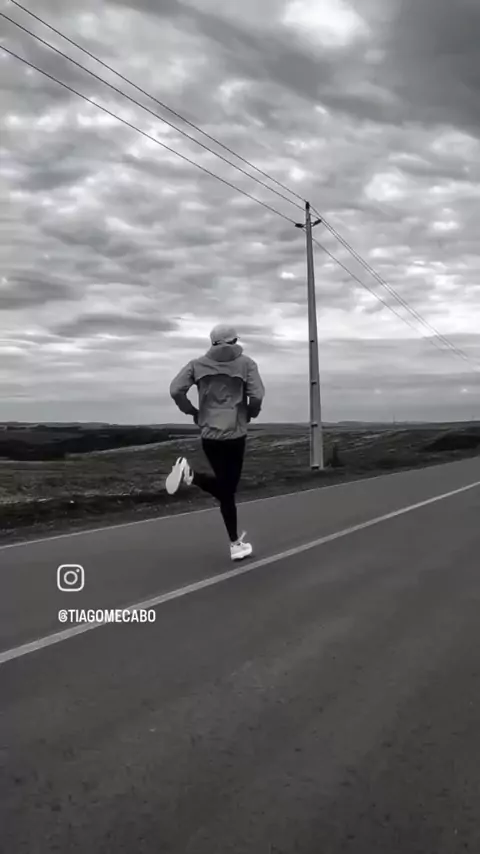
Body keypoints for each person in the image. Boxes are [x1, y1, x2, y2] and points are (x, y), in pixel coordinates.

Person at [166, 323, 265, 561]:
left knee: (225, 490)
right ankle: (234, 544)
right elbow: (257, 395)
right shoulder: (247, 364)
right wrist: (251, 413)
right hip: (235, 434)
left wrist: (192, 411)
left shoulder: (197, 364)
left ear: (212, 342)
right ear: (234, 341)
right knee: (228, 490)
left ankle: (235, 542)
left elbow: (175, 390)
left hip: (209, 434)